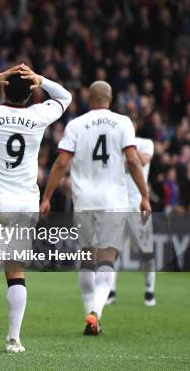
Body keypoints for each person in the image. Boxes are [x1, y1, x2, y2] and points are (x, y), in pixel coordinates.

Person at [0, 64, 72, 354]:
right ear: (32, 92)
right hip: (25, 204)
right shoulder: (38, 115)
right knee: (16, 270)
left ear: (4, 87)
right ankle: (14, 340)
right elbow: (65, 97)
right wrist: (41, 79)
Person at [40, 81, 151, 335]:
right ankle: (96, 312)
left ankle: (90, 315)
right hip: (113, 201)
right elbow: (133, 160)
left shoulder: (76, 125)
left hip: (85, 201)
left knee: (88, 259)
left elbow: (60, 164)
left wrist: (46, 197)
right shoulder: (122, 122)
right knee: (107, 259)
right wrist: (144, 196)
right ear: (109, 99)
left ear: (89, 100)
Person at [107, 135, 156, 307]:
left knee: (147, 252)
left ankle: (149, 291)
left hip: (137, 206)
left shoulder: (146, 142)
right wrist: (130, 160)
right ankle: (110, 292)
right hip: (119, 205)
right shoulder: (115, 142)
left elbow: (141, 161)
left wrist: (126, 158)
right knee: (114, 251)